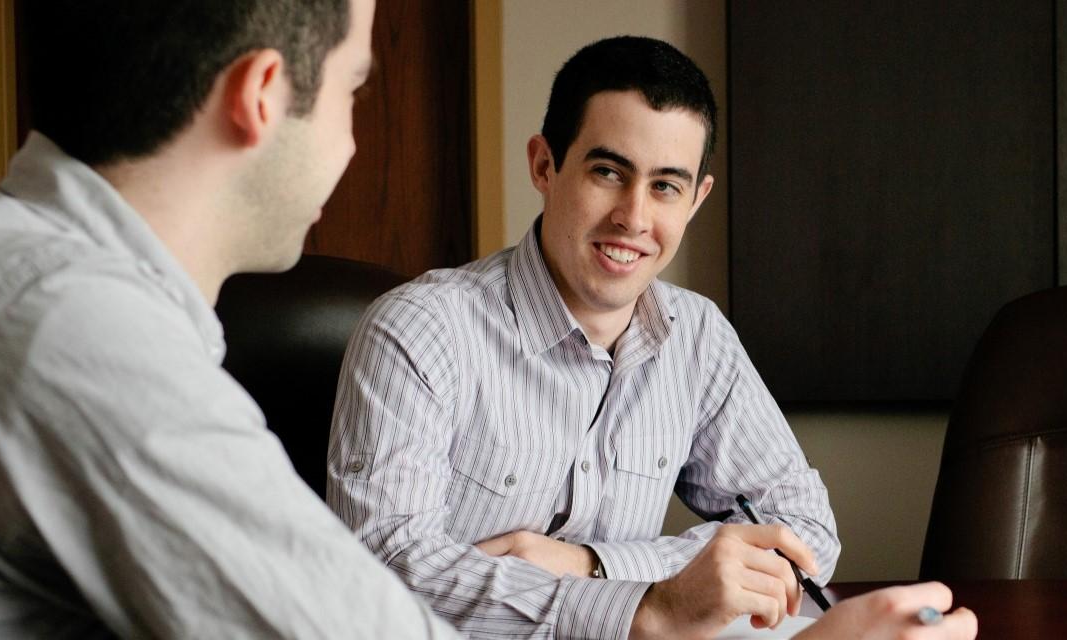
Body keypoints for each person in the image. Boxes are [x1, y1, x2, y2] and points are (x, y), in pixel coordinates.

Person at [0, 0, 971, 635]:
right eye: (359, 89)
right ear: (263, 97)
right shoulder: (66, 329)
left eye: (670, 184)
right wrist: (659, 615)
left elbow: (792, 533)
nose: (354, 140)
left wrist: (591, 568)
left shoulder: (17, 274)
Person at [324, 36, 846, 638]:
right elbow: (385, 565)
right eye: (608, 172)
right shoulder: (419, 329)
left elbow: (804, 531)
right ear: (545, 166)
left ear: (696, 199)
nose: (634, 217)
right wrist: (646, 609)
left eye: (665, 186)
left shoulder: (698, 337)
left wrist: (596, 567)